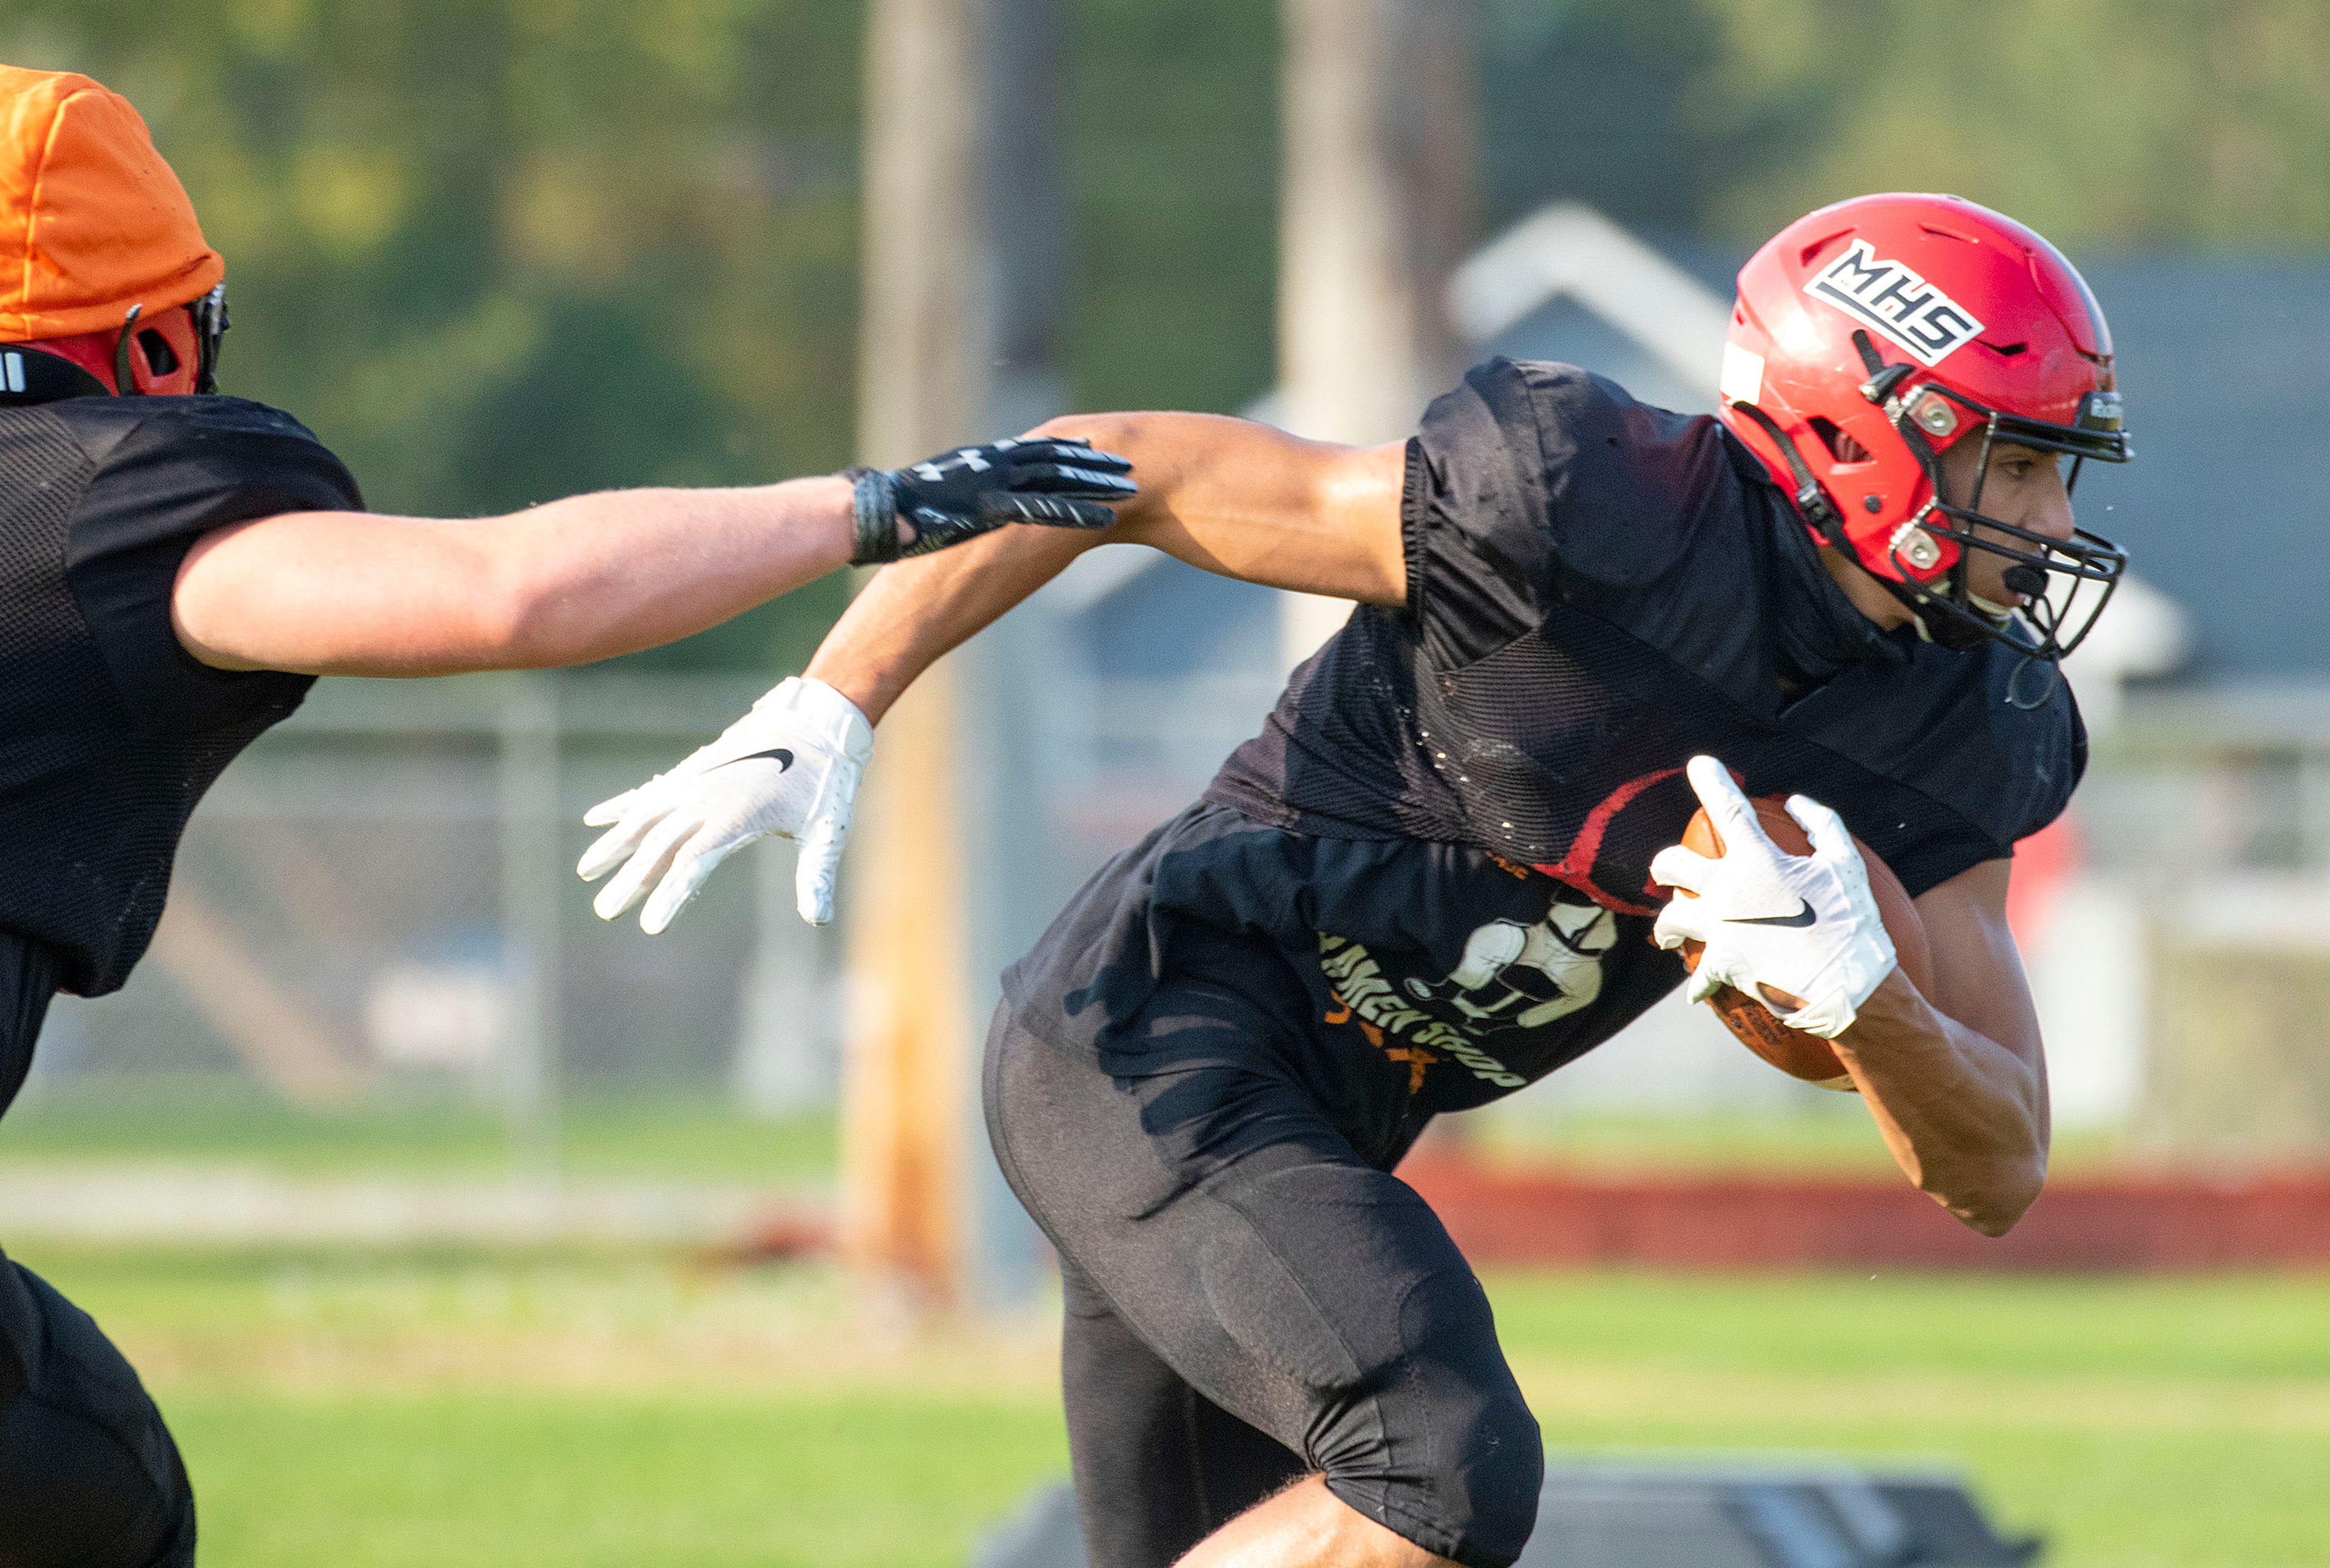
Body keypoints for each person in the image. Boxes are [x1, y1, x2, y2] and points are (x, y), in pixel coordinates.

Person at [587, 192, 2130, 1568]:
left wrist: (1869, 1005)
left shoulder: (1961, 723)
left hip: (1319, 1137)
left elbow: (1999, 1161)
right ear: (1861, 423)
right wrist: (840, 690)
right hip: (1153, 1034)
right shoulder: (1580, 509)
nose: (2051, 527)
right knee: (1445, 1465)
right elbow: (1129, 467)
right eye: (2019, 465)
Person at [0, 65, 1134, 1568]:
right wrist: (884, 506)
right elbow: (508, 588)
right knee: (110, 1509)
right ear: (147, 339)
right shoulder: (82, 496)